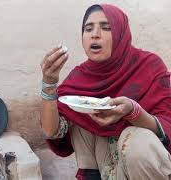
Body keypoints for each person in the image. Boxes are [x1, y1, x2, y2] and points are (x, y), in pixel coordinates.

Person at [40, 4, 171, 180]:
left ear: (120, 33)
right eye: (88, 29)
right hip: (102, 167)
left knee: (136, 140)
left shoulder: (150, 67)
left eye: (106, 27)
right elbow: (51, 131)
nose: (95, 34)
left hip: (143, 167)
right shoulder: (79, 78)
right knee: (80, 109)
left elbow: (166, 126)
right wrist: (49, 84)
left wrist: (133, 111)